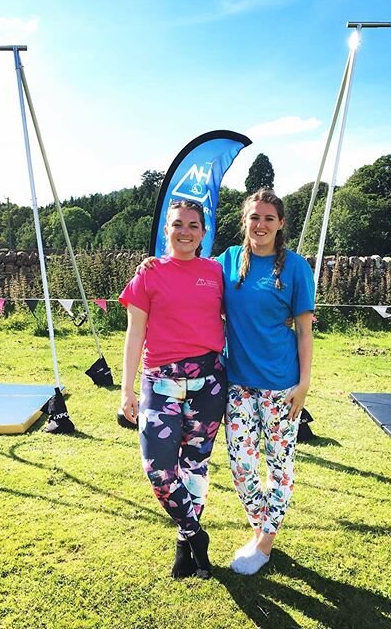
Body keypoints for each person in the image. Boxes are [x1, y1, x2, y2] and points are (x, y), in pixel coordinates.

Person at [119, 199, 227, 580]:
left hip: (209, 383)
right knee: (159, 469)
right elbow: (134, 335)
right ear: (167, 228)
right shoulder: (147, 275)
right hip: (159, 381)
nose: (186, 232)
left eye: (193, 225)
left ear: (203, 232)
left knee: (194, 465)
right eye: (178, 224)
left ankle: (184, 546)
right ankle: (196, 535)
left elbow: (243, 313)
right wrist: (126, 389)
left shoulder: (216, 272)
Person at [215, 188, 314, 576]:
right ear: (245, 220)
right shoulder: (228, 261)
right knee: (241, 465)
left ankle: (266, 542)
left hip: (281, 385)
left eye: (269, 218)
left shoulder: (295, 267)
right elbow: (188, 273)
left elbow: (305, 331)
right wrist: (153, 265)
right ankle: (260, 527)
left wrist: (304, 384)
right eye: (254, 217)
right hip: (237, 384)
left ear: (280, 224)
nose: (261, 225)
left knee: (279, 465)